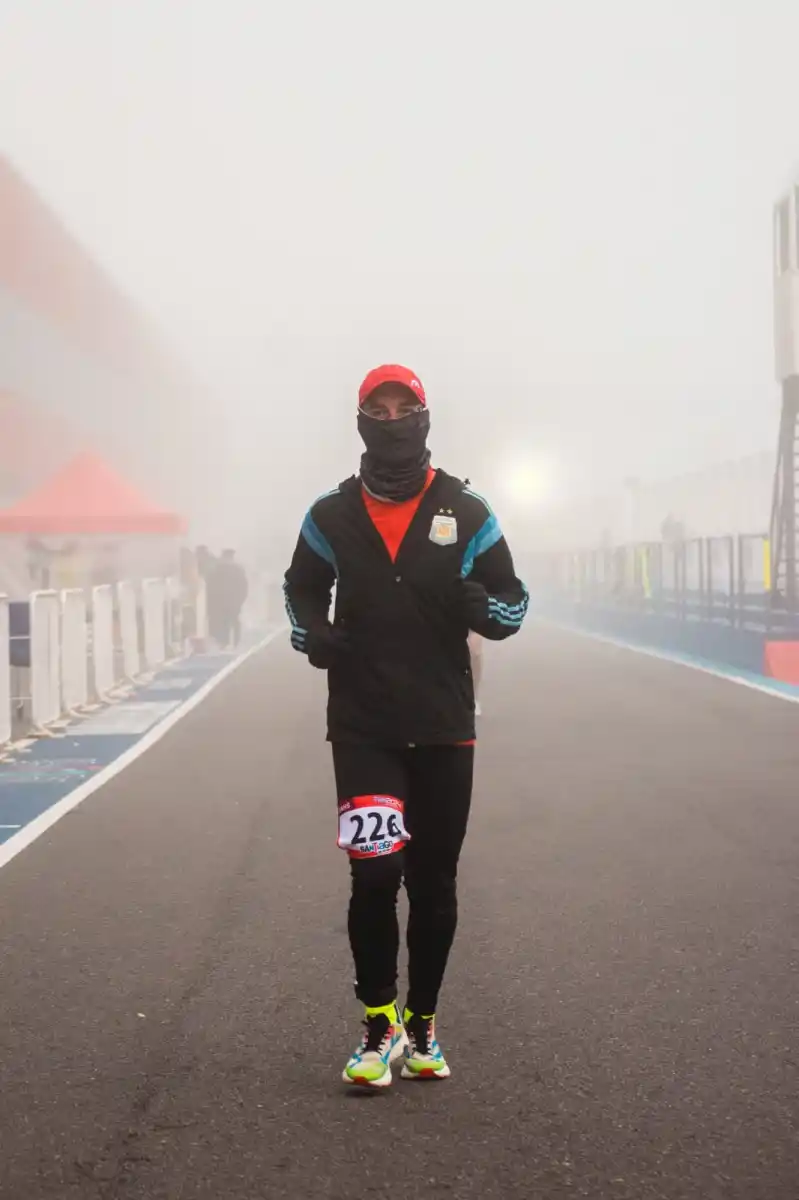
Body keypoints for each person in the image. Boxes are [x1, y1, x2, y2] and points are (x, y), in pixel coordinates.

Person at [284, 364, 528, 1088]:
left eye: (403, 407)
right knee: (374, 874)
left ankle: (422, 1023)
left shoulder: (467, 509)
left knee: (431, 879)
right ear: (360, 420)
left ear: (424, 416)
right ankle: (377, 1024)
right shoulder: (329, 516)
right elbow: (300, 588)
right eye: (376, 409)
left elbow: (512, 599)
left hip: (443, 724)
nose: (390, 420)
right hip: (363, 725)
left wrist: (484, 610)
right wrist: (314, 635)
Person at [207, 549, 248, 648]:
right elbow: (244, 586)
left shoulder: (217, 569)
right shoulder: (237, 569)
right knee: (232, 621)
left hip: (224, 601)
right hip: (232, 601)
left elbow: (211, 586)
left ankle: (225, 642)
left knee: (225, 621)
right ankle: (234, 642)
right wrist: (241, 599)